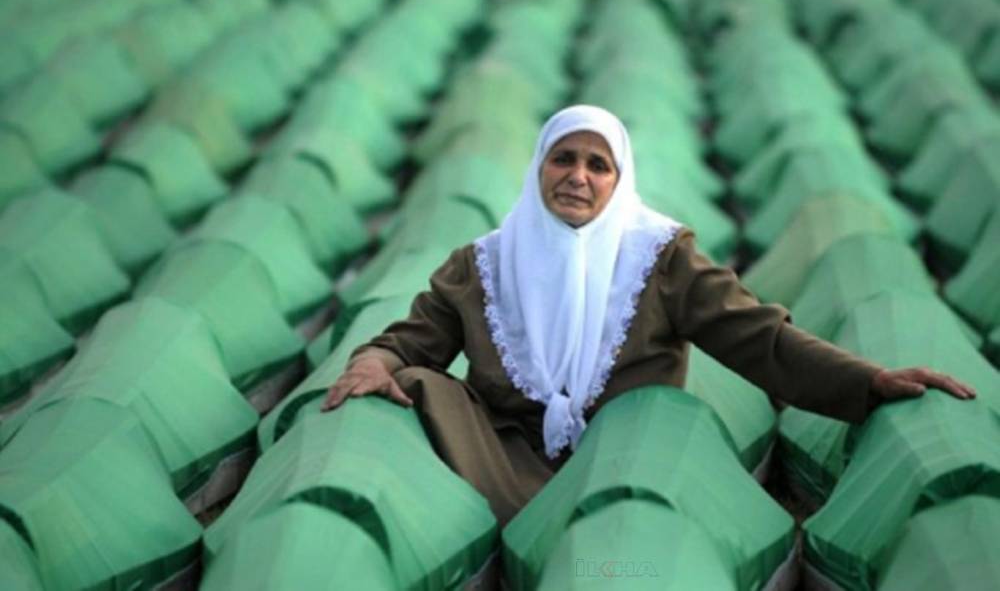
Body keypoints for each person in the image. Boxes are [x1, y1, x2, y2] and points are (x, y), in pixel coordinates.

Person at [321, 105, 976, 527]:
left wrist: (869, 382)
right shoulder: (483, 262)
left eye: (597, 164)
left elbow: (760, 339)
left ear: (618, 180)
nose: (578, 176)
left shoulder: (659, 258)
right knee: (412, 385)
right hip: (503, 453)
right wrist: (372, 361)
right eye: (564, 158)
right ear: (538, 167)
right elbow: (412, 341)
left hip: (623, 456)